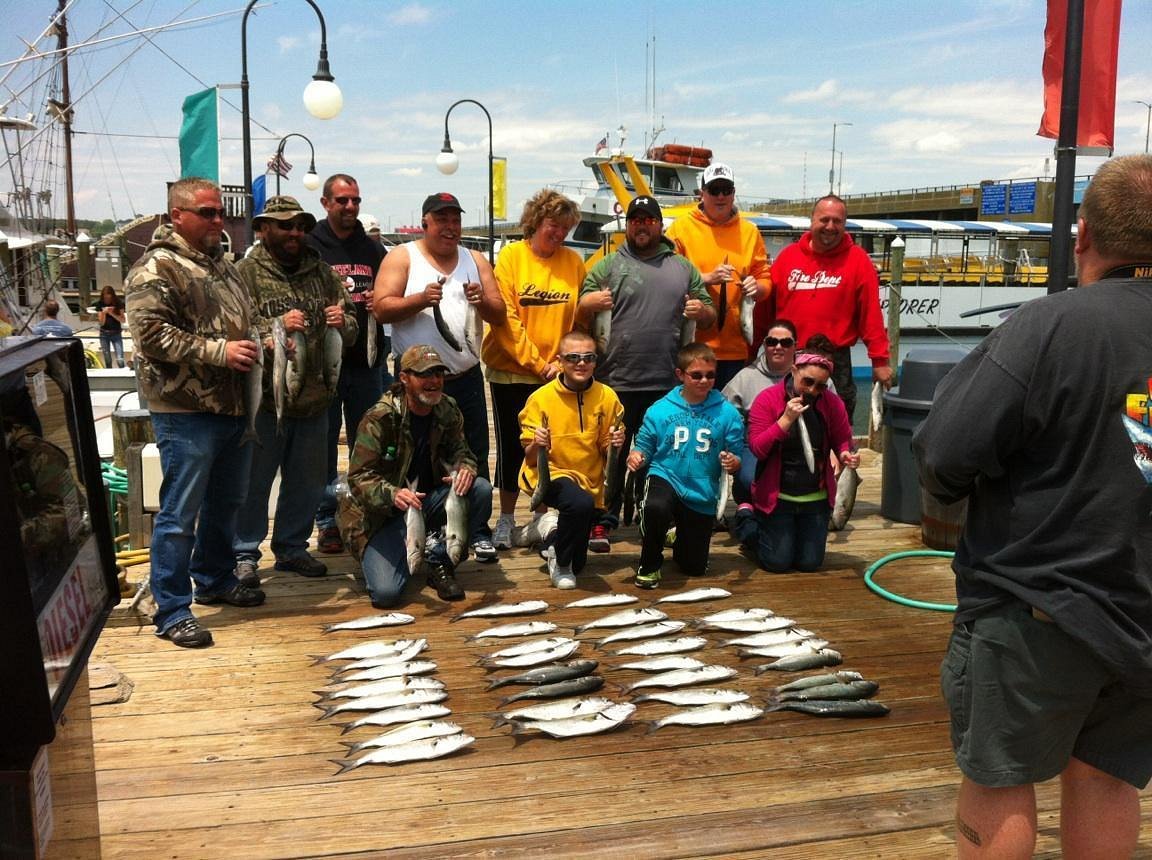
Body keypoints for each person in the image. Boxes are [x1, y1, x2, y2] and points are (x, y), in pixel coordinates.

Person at [911, 154, 1152, 859]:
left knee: (999, 775)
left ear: (1081, 236)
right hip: (1144, 617)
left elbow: (942, 454)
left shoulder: (1050, 326)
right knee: (1111, 780)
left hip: (1036, 609)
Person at [124, 177, 265, 648]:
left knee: (227, 503)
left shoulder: (225, 267)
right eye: (207, 212)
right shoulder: (155, 268)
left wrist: (268, 331)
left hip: (233, 408)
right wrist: (218, 352)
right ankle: (171, 608)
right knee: (179, 513)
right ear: (176, 215)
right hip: (185, 411)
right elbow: (151, 336)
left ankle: (215, 578)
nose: (217, 220)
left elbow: (245, 322)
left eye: (220, 211)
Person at [233, 195, 356, 587]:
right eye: (285, 226)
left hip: (315, 400)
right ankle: (244, 552)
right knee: (253, 483)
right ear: (263, 228)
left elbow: (352, 325)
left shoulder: (322, 273)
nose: (294, 233)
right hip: (265, 402)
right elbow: (232, 331)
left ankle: (291, 547)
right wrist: (275, 326)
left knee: (305, 483)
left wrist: (344, 320)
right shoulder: (243, 274)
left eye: (300, 226)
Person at [577, 195, 714, 549]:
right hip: (615, 381)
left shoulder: (683, 268)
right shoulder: (605, 266)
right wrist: (587, 303)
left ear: (659, 224)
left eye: (648, 219)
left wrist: (702, 310)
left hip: (667, 384)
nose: (641, 225)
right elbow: (578, 316)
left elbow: (711, 316)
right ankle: (602, 520)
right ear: (627, 225)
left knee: (664, 456)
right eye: (635, 219)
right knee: (610, 455)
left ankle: (654, 516)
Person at [374, 191, 506, 511]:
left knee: (473, 452)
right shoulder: (402, 257)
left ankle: (477, 528)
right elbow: (381, 309)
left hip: (465, 376)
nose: (450, 227)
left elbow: (499, 314)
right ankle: (421, 520)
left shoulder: (475, 260)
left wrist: (482, 301)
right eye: (442, 219)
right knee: (416, 454)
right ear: (425, 223)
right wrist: (420, 299)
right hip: (417, 382)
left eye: (456, 220)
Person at [338, 345, 494, 605]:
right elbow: (358, 477)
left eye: (438, 374)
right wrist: (394, 494)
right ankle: (391, 550)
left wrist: (465, 468)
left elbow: (463, 453)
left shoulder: (448, 408)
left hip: (424, 502)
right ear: (404, 378)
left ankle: (440, 561)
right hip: (379, 515)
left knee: (479, 489)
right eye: (424, 375)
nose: (434, 382)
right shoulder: (380, 417)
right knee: (386, 594)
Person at [482, 189, 584, 549]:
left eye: (565, 229)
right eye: (553, 226)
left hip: (555, 373)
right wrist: (538, 363)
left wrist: (563, 361)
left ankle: (543, 516)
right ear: (536, 221)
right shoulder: (511, 256)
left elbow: (578, 317)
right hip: (512, 369)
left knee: (547, 447)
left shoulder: (573, 262)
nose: (558, 234)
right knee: (514, 445)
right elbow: (506, 318)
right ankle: (506, 518)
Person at [306, 174, 390, 556]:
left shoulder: (373, 249)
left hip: (367, 363)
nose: (350, 207)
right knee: (323, 444)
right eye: (342, 201)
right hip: (324, 366)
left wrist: (380, 300)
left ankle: (360, 512)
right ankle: (327, 521)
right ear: (326, 203)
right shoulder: (311, 245)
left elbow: (393, 296)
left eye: (355, 200)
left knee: (366, 444)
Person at [733, 335, 858, 572]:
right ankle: (746, 517)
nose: (812, 390)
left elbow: (843, 439)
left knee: (809, 563)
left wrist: (845, 454)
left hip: (815, 498)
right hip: (778, 497)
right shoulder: (767, 400)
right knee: (777, 563)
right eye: (807, 382)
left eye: (821, 385)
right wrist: (785, 421)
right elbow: (758, 448)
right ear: (793, 370)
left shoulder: (831, 403)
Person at [767, 195, 893, 423]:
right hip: (790, 355)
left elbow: (871, 316)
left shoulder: (859, 260)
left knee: (838, 425)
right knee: (785, 424)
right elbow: (765, 310)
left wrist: (880, 361)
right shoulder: (787, 257)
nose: (830, 227)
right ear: (811, 221)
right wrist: (753, 347)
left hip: (836, 359)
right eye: (824, 219)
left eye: (838, 221)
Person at [627, 343, 744, 589]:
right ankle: (649, 564)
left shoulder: (728, 413)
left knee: (694, 567)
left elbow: (736, 451)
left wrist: (733, 462)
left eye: (710, 375)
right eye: (696, 375)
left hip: (702, 489)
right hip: (666, 475)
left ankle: (678, 537)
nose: (704, 380)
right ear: (680, 375)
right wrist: (637, 455)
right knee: (655, 507)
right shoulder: (659, 409)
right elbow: (645, 444)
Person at [518, 330, 624, 589]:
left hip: (590, 477)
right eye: (573, 357)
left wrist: (615, 446)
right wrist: (537, 443)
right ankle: (561, 562)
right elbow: (529, 457)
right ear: (559, 360)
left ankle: (549, 533)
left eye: (588, 358)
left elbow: (605, 452)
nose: (581, 363)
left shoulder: (607, 396)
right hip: (550, 473)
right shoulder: (540, 399)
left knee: (581, 562)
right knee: (578, 504)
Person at [665, 162, 772, 390]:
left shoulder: (750, 232)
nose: (721, 196)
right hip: (691, 346)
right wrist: (705, 278)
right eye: (714, 190)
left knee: (729, 416)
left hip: (735, 348)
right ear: (702, 193)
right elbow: (667, 277)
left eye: (727, 190)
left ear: (734, 194)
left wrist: (757, 287)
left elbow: (765, 279)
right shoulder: (680, 228)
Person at [722, 319, 798, 504]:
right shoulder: (745, 376)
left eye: (786, 343)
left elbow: (834, 415)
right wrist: (731, 451)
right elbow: (723, 417)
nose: (778, 347)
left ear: (795, 346)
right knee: (749, 479)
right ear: (764, 345)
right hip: (755, 444)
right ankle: (745, 499)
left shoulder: (809, 375)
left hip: (798, 444)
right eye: (772, 342)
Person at [97, 285, 126, 368]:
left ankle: (122, 374)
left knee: (120, 358)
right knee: (107, 358)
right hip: (104, 334)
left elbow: (123, 320)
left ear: (112, 296)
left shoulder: (118, 303)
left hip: (116, 334)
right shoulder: (100, 304)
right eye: (105, 297)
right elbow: (101, 323)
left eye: (108, 297)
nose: (107, 299)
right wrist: (104, 313)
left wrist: (111, 313)